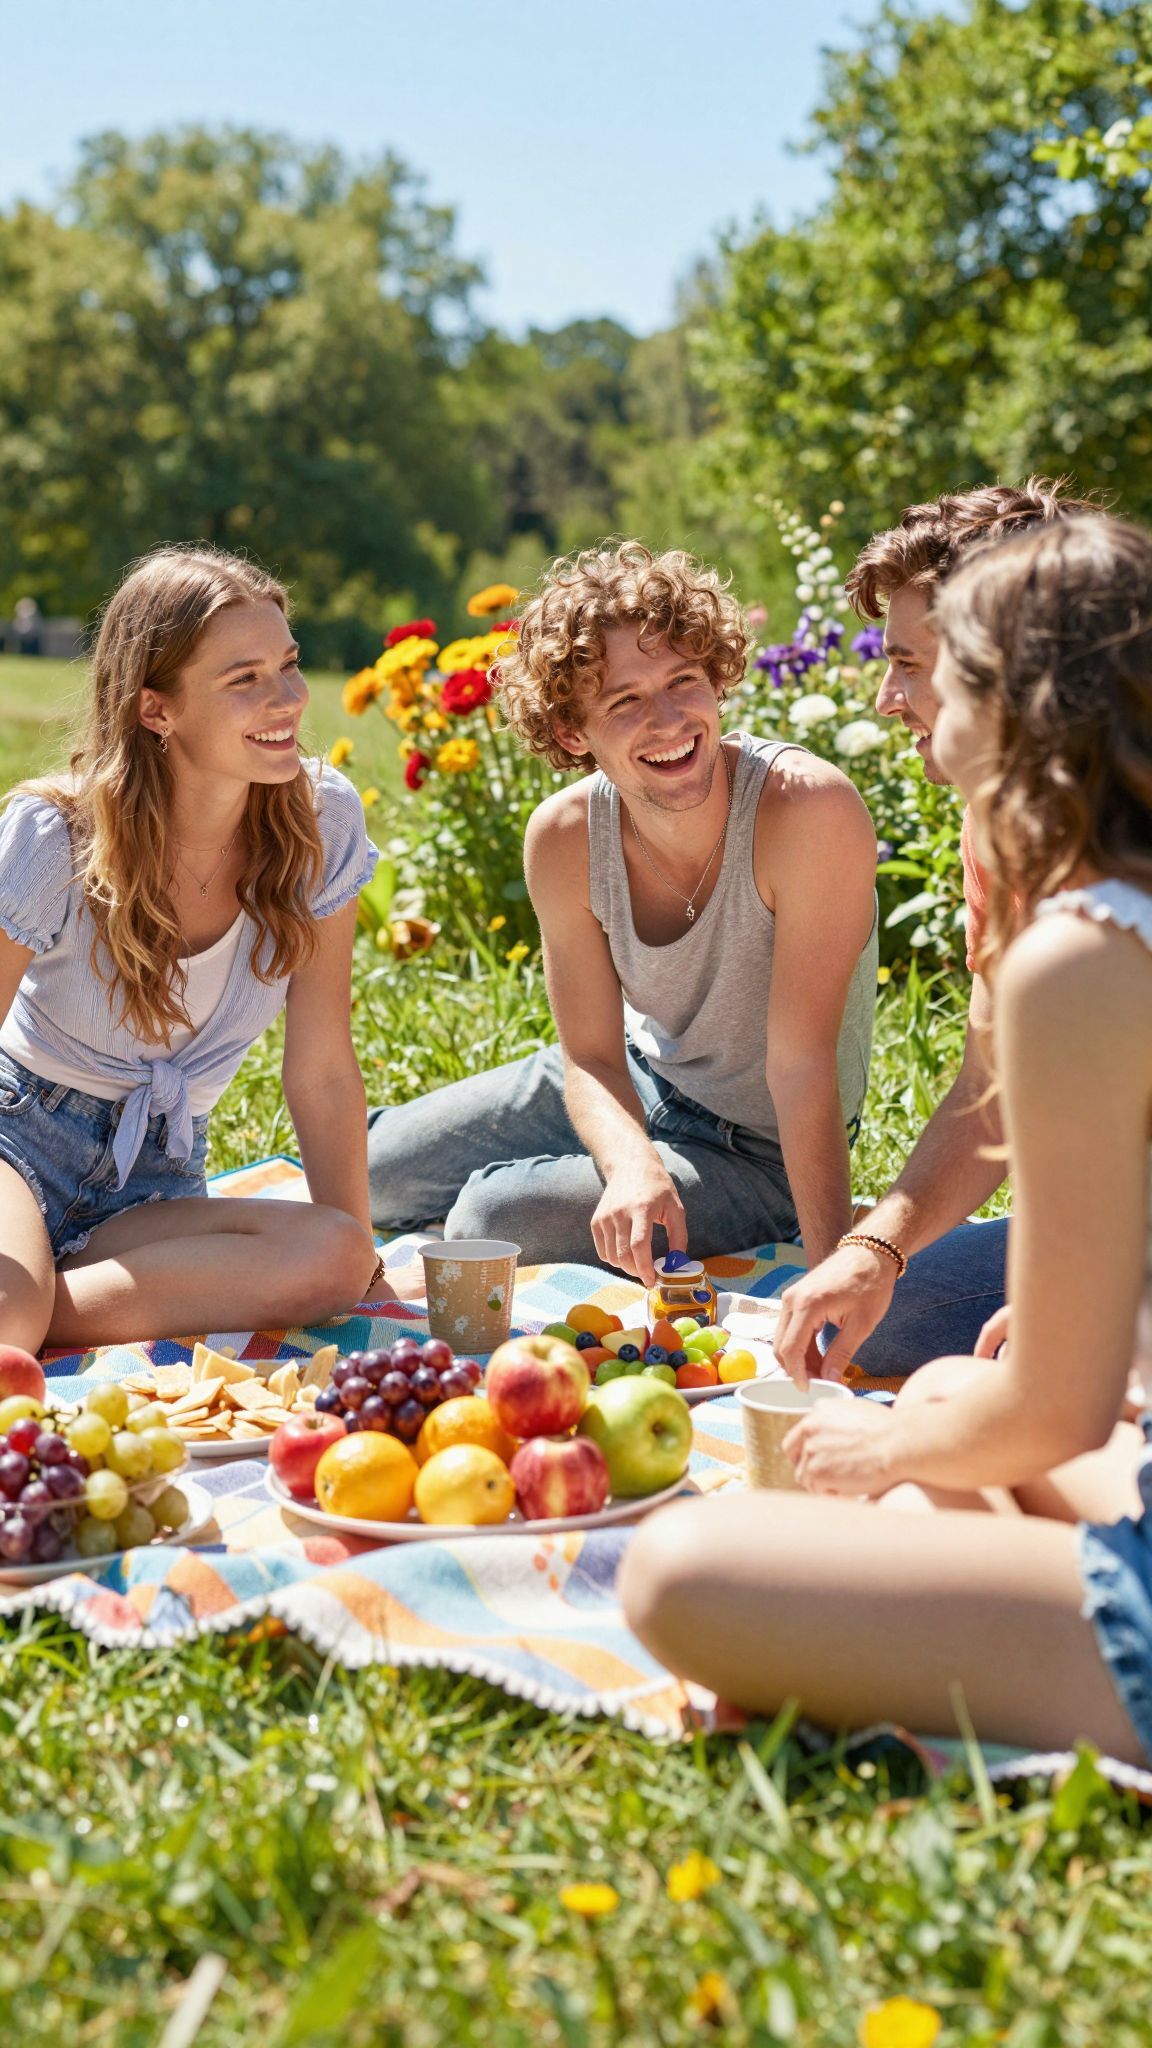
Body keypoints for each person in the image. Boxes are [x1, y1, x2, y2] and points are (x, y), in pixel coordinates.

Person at [622, 513, 1152, 1767]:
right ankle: (924, 1610)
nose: (892, 691)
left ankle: (933, 1627)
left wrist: (872, 1449)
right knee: (947, 1385)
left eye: (931, 662)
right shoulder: (1109, 898)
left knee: (682, 1568)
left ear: (1018, 699)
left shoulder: (1080, 953)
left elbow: (1061, 1414)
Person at [368, 542, 878, 1281]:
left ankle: (589, 1176)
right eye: (625, 701)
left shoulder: (805, 809)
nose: (669, 720)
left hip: (757, 1149)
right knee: (370, 1173)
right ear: (574, 732)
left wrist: (833, 1270)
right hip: (637, 1078)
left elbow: (801, 1069)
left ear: (717, 680)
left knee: (489, 1218)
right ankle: (603, 1164)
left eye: (684, 680)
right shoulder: (566, 837)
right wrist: (632, 1161)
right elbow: (592, 1054)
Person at [0, 545, 392, 1354]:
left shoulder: (321, 822)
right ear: (156, 710)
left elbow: (320, 1065)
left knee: (336, 1257)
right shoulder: (54, 837)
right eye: (243, 679)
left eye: (288, 665)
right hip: (19, 1140)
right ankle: (22, 1306)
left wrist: (368, 1267)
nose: (287, 698)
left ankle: (38, 1307)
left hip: (157, 1180)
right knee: (8, 1319)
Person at [774, 476, 1098, 1385]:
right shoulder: (993, 818)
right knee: (869, 1318)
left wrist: (1097, 1306)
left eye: (909, 664)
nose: (885, 698)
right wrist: (873, 1249)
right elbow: (991, 1081)